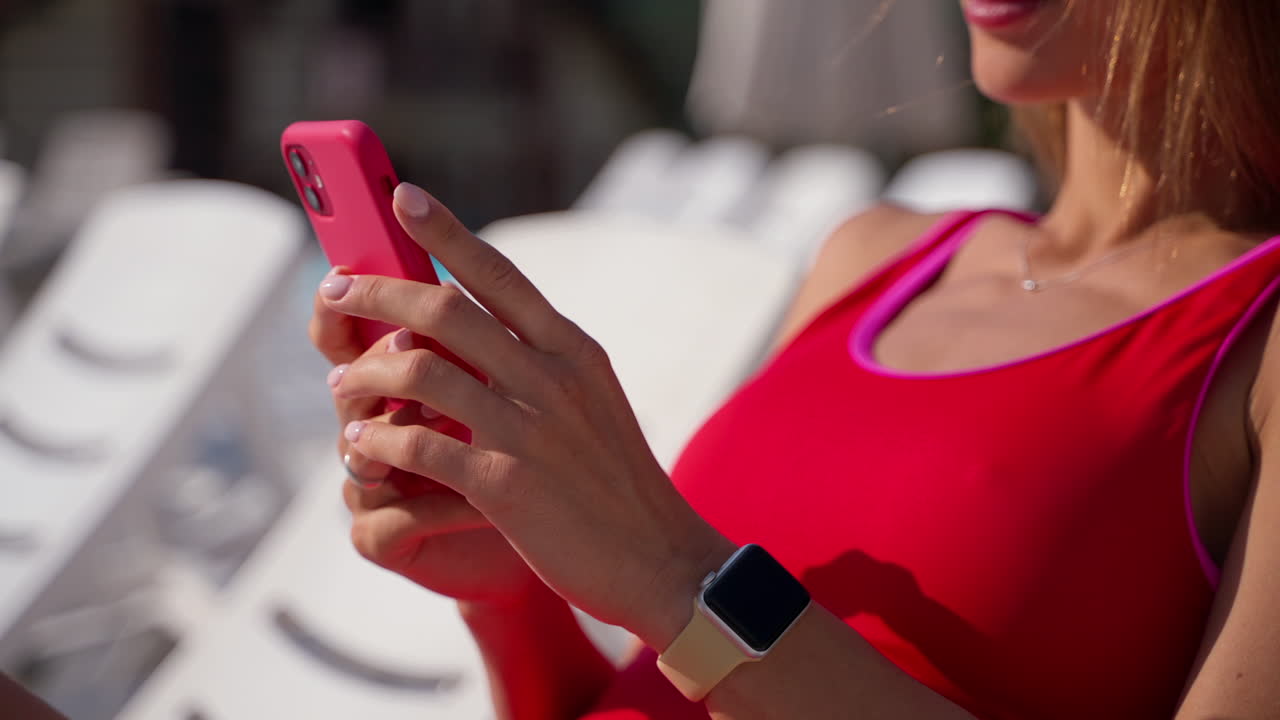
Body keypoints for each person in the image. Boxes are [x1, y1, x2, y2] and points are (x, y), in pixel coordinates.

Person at [308, 1, 1280, 718]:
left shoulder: (1252, 337)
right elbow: (679, 683)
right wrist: (511, 597)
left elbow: (698, 612)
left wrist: (677, 577)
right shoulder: (876, 257)